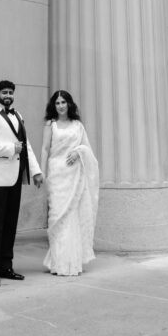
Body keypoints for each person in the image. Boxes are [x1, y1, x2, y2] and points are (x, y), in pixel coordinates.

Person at [0, 79, 43, 287]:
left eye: (10, 92)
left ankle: (6, 266)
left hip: (16, 176)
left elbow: (27, 146)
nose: (8, 95)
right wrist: (11, 149)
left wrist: (36, 171)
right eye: (4, 92)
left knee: (10, 224)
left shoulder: (18, 115)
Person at [40, 90, 99, 276]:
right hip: (56, 174)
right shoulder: (50, 125)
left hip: (74, 175)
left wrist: (78, 151)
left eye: (63, 102)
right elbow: (45, 149)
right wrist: (41, 171)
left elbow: (86, 148)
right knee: (57, 217)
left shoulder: (77, 125)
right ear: (53, 106)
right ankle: (58, 262)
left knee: (72, 216)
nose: (60, 106)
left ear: (69, 104)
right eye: (57, 103)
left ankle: (71, 262)